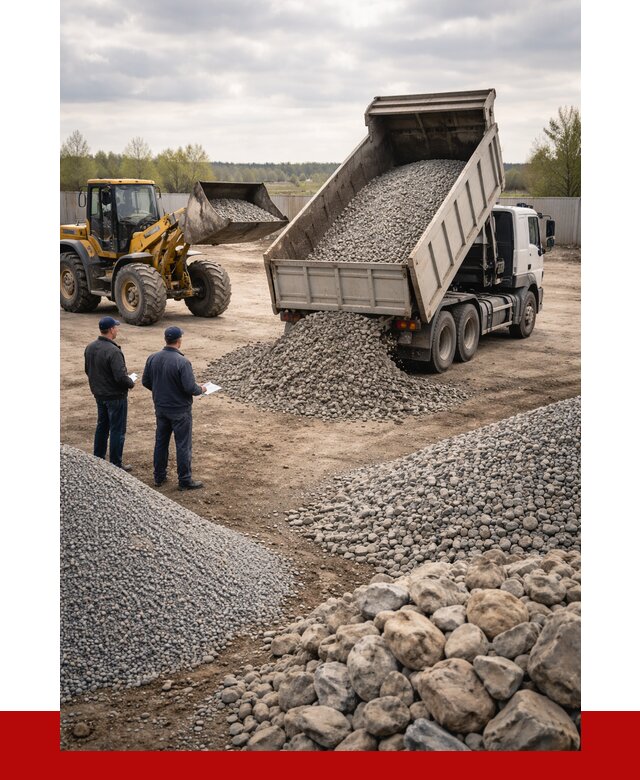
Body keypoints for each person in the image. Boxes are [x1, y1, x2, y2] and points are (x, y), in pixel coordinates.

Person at [142, 326, 206, 490]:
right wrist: (202, 389)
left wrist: (161, 392)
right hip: (179, 411)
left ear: (166, 339)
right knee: (183, 445)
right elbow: (190, 388)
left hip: (161, 408)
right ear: (179, 341)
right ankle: (184, 480)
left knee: (161, 443)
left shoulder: (152, 358)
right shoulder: (182, 362)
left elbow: (146, 382)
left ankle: (159, 477)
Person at [84, 316, 135, 471]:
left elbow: (88, 370)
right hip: (115, 397)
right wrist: (130, 382)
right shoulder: (114, 351)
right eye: (116, 327)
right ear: (112, 329)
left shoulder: (90, 347)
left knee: (102, 427)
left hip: (99, 395)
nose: (117, 330)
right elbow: (120, 377)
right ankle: (115, 464)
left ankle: (98, 459)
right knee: (117, 430)